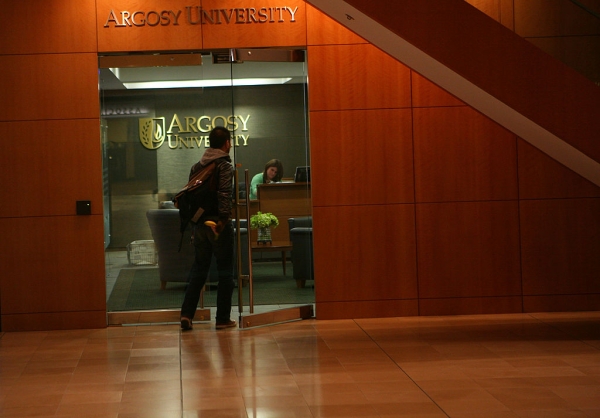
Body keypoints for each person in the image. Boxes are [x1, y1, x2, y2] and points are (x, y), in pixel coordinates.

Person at [180, 126, 236, 331]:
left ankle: (187, 314)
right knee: (225, 271)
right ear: (227, 143)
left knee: (199, 270)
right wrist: (223, 219)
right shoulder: (223, 165)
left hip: (200, 225)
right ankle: (222, 318)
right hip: (217, 224)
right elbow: (224, 193)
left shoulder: (197, 166)